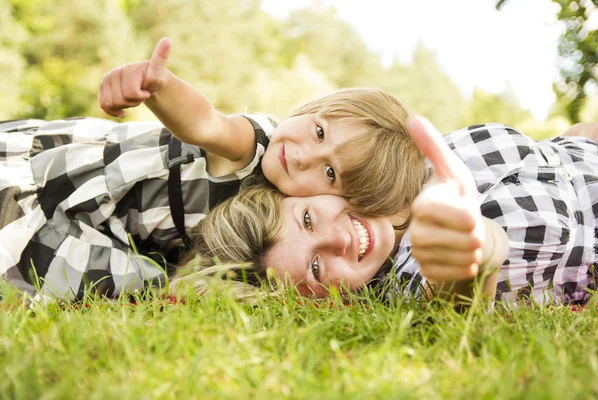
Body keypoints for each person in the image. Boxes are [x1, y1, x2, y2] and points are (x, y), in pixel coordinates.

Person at [0, 40, 425, 301]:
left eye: (330, 173)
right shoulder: (258, 146)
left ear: (346, 199)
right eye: (317, 131)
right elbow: (206, 122)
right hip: (57, 176)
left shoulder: (293, 224)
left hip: (96, 227)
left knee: (110, 280)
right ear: (315, 109)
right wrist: (159, 88)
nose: (302, 156)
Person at [171, 117, 598, 307]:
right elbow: (457, 304)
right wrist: (476, 254)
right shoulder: (411, 280)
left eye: (307, 220)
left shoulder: (397, 163)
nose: (337, 240)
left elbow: (559, 147)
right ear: (324, 304)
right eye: (317, 267)